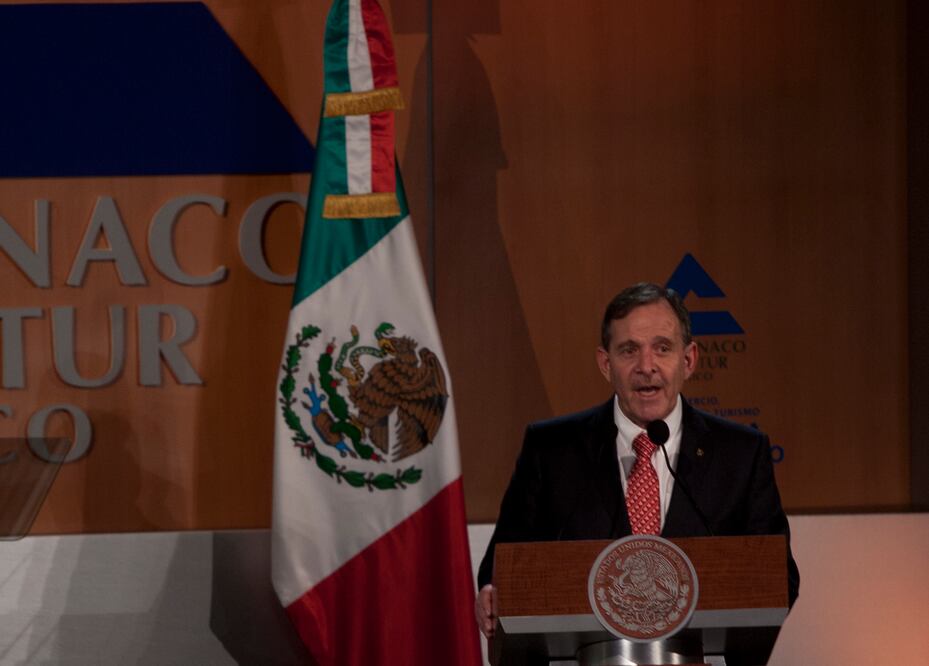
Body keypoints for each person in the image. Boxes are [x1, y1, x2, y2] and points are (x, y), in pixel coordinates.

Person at [475, 282, 799, 639]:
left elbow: (779, 577)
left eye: (662, 348)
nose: (647, 366)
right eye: (629, 350)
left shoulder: (740, 453)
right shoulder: (552, 450)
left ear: (688, 360)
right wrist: (492, 591)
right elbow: (502, 567)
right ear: (605, 363)